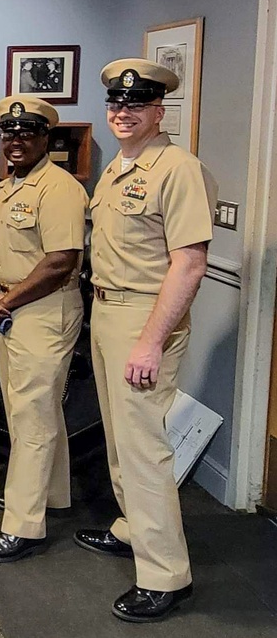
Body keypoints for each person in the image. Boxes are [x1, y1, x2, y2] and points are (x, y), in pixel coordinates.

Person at [75, 59, 216, 622]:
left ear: (160, 110)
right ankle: (133, 528)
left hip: (144, 319)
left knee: (145, 449)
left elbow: (189, 265)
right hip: (108, 311)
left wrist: (151, 342)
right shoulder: (120, 167)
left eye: (135, 105)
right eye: (115, 104)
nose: (122, 113)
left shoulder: (178, 168)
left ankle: (166, 575)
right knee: (120, 439)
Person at [0, 96, 87, 562]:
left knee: (31, 417)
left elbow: (62, 260)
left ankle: (23, 526)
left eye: (26, 134)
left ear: (46, 138)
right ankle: (51, 495)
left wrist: (5, 300)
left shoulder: (58, 188)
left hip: (42, 311)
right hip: (9, 308)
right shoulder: (6, 189)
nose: (15, 141)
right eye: (8, 134)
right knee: (35, 411)